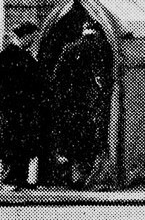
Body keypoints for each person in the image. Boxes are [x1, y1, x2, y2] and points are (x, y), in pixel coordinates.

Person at [50, 21, 112, 188]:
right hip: (91, 104)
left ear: (83, 31)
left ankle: (69, 173)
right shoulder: (102, 48)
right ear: (97, 32)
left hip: (70, 102)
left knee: (71, 137)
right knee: (89, 140)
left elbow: (57, 77)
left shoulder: (68, 48)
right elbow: (102, 79)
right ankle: (82, 176)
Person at [0, 23, 44, 189]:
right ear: (25, 36)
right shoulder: (20, 58)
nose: (33, 40)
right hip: (19, 108)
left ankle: (16, 179)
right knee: (17, 143)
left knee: (15, 143)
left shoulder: (5, 56)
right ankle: (13, 179)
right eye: (32, 37)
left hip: (12, 108)